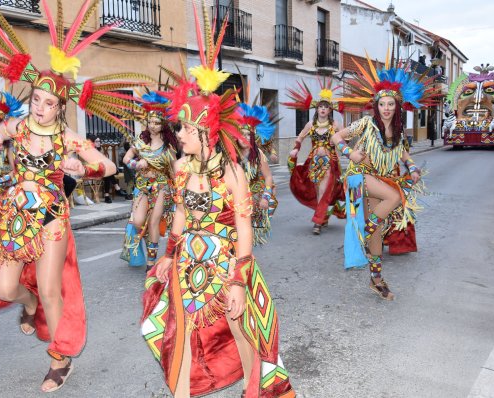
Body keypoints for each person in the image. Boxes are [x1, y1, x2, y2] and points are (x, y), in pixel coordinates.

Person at [0, 0, 148, 392]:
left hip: (51, 217)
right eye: (36, 99)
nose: (41, 107)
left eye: (49, 103)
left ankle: (59, 358)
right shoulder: (16, 127)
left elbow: (110, 166)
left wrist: (84, 168)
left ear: (60, 106)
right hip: (15, 215)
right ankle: (28, 304)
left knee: (53, 287)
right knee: (4, 289)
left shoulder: (68, 137)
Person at [141, 5, 295, 397]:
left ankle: (253, 391)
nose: (181, 135)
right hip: (188, 265)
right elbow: (178, 213)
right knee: (181, 333)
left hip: (226, 265)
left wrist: (239, 282)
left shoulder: (233, 173)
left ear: (207, 132)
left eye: (187, 130)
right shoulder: (179, 167)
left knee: (243, 333)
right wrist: (169, 254)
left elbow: (244, 229)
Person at [333, 52, 439, 300]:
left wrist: (412, 168)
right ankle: (365, 231)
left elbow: (402, 154)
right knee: (394, 197)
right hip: (360, 176)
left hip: (380, 180)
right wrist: (351, 153)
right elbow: (336, 137)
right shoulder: (366, 123)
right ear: (376, 105)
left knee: (378, 233)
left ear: (397, 106)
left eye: (391, 104)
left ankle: (376, 279)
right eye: (382, 104)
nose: (387, 109)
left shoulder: (400, 132)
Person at [121, 91, 178, 270]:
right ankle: (147, 242)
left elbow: (175, 168)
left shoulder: (169, 146)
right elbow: (125, 159)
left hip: (161, 186)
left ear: (163, 124)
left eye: (157, 122)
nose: (153, 125)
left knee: (153, 221)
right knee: (138, 222)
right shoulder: (141, 141)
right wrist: (136, 164)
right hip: (141, 186)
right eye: (150, 122)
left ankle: (151, 262)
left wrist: (179, 188)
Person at [284, 78, 346, 235]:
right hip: (313, 162)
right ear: (317, 110)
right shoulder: (310, 125)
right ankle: (323, 216)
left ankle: (317, 222)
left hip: (330, 161)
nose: (323, 109)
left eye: (326, 107)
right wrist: (295, 150)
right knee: (318, 190)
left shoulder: (336, 125)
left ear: (330, 110)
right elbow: (300, 138)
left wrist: (344, 141)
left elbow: (345, 138)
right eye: (321, 107)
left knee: (325, 189)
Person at [237, 102, 278, 245]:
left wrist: (265, 198)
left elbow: (268, 177)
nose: (245, 137)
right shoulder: (230, 154)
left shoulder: (258, 153)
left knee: (248, 238)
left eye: (248, 134)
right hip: (237, 199)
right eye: (242, 134)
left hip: (255, 197)